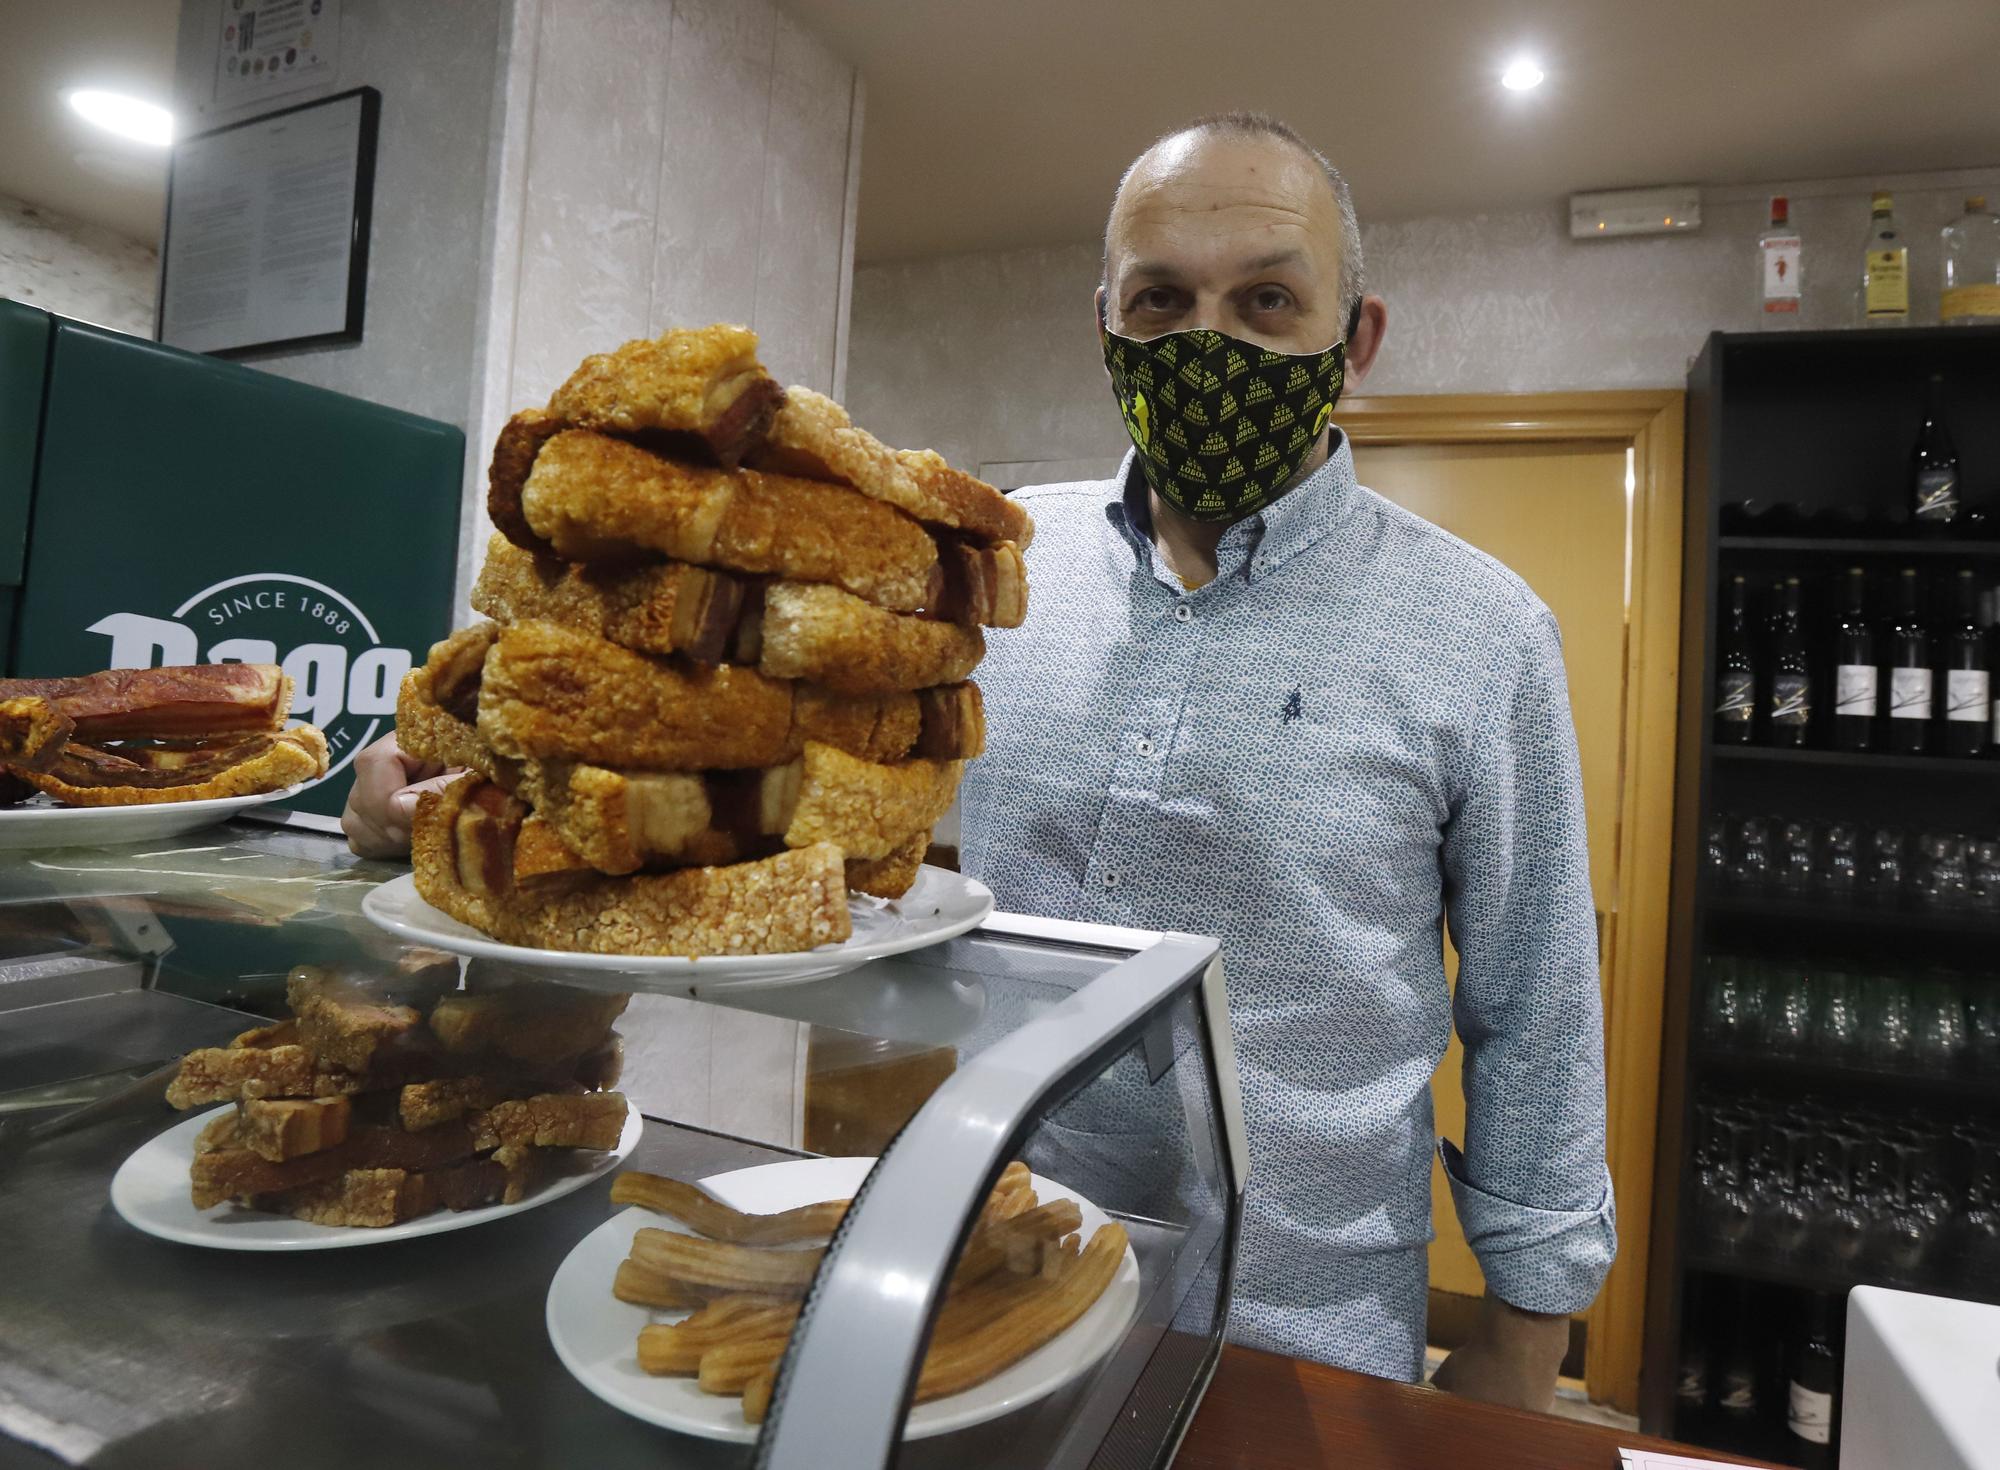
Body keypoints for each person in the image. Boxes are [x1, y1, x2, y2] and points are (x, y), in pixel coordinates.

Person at [343, 110, 1612, 1412]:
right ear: (1106, 328)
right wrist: (463, 787)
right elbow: (734, 749)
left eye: (1270, 300)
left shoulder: (1484, 631)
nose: (1209, 341)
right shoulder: (990, 580)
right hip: (995, 1276)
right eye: (1161, 301)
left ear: (1359, 338)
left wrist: (1528, 1324)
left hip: (1306, 1326)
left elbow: (1539, 1003)